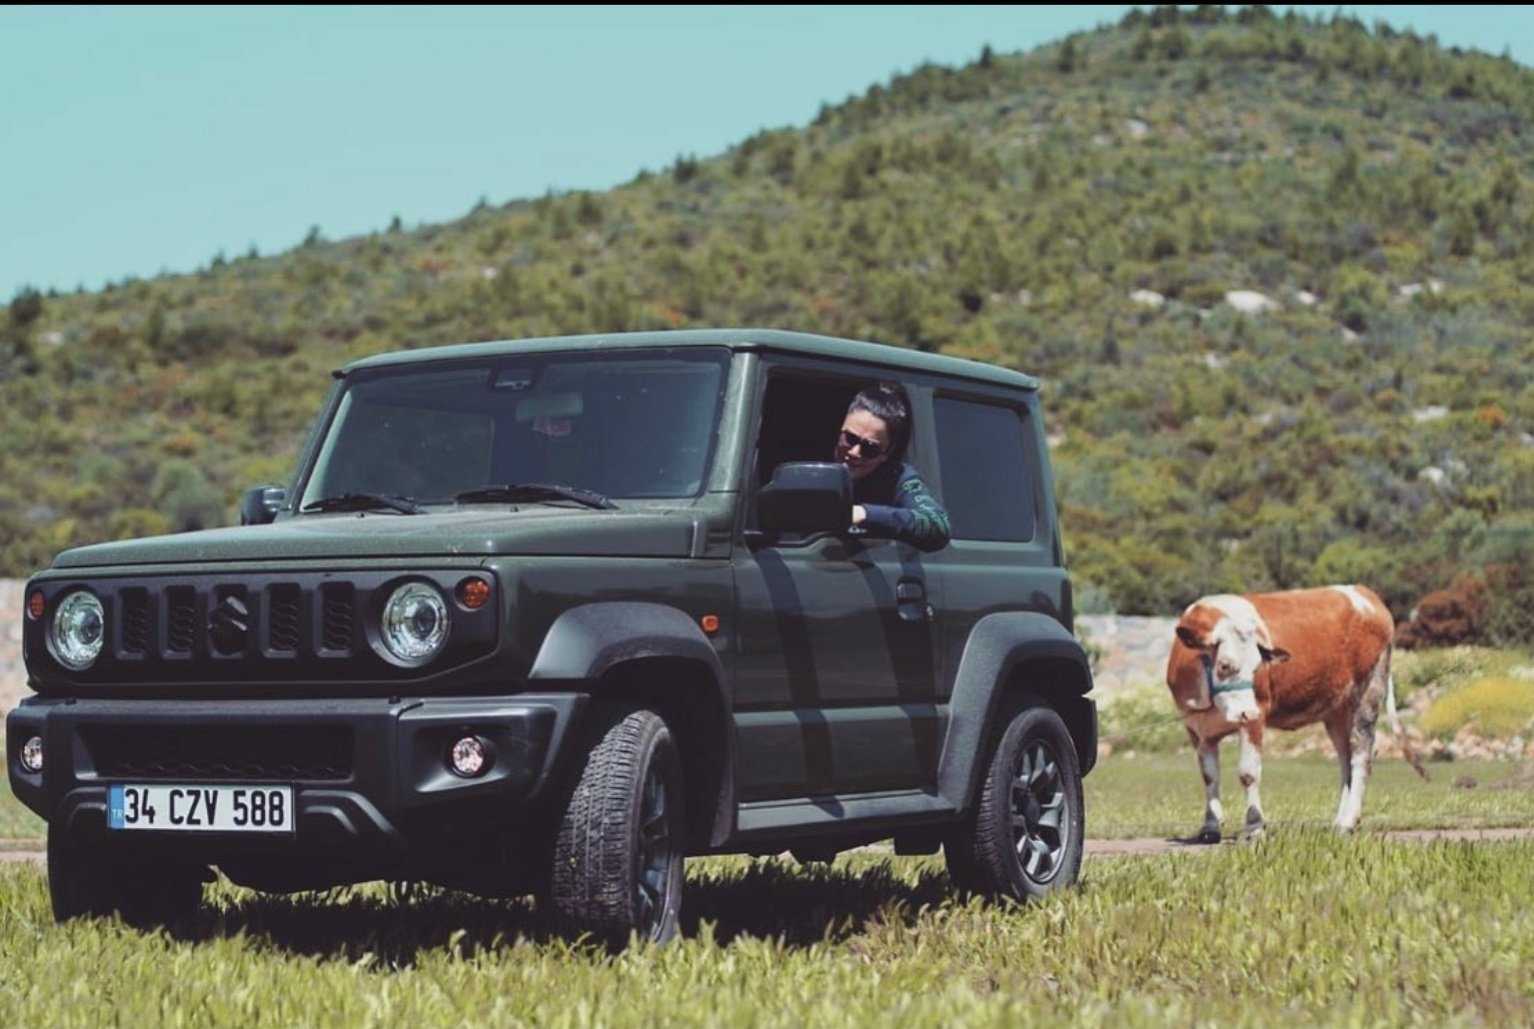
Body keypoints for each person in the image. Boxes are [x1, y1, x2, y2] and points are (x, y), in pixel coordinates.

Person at [834, 382, 950, 553]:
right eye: (849, 439)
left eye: (870, 448)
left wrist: (865, 514)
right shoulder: (812, 465)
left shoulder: (898, 479)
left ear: (886, 453)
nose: (854, 452)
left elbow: (937, 524)